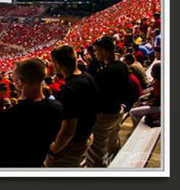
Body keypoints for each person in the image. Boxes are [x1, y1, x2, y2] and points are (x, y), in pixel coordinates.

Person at [0, 58, 64, 167]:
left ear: (20, 82)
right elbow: (29, 139)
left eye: (14, 77)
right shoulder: (57, 107)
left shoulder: (3, 117)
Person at [45, 45, 99, 168]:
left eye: (52, 62)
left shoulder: (68, 90)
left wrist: (54, 150)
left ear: (58, 64)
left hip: (72, 144)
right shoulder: (88, 77)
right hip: (86, 135)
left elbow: (68, 131)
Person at [86, 35, 135, 167]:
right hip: (117, 110)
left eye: (96, 51)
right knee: (113, 142)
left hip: (105, 114)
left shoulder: (109, 71)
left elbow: (97, 93)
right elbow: (130, 89)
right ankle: (115, 164)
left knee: (96, 150)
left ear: (104, 51)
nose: (94, 54)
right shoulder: (121, 66)